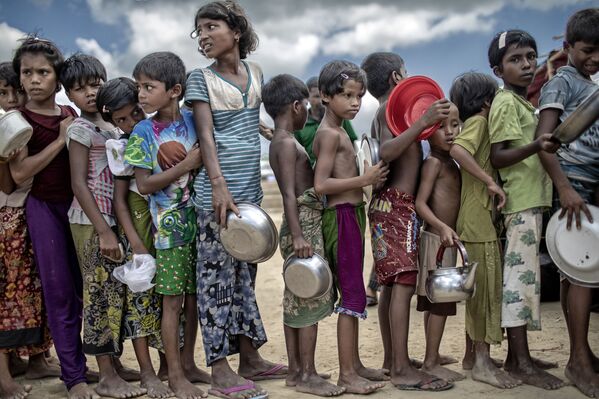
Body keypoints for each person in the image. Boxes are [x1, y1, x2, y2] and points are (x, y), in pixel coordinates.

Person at [186, 2, 287, 398]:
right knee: (216, 283)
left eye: (212, 26)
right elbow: (207, 136)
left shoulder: (255, 73)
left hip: (251, 195)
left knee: (246, 279)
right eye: (199, 30)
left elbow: (246, 119)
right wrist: (218, 186)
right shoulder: (200, 79)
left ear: (237, 31)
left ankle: (250, 358)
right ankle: (219, 370)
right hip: (217, 198)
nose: (205, 35)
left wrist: (268, 131)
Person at [9, 36, 97, 399]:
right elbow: (19, 173)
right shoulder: (17, 121)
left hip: (76, 209)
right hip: (43, 208)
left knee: (82, 291)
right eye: (26, 72)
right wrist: (61, 140)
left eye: (42, 72)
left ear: (57, 79)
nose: (34, 79)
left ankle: (88, 363)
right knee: (59, 293)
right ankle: (73, 377)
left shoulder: (69, 114)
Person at [61, 53, 147, 399]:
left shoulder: (112, 126)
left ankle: (115, 363)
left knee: (116, 292)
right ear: (69, 96)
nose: (90, 94)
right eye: (80, 89)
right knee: (98, 294)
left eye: (95, 85)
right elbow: (79, 184)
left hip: (113, 219)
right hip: (90, 221)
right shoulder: (81, 130)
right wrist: (104, 230)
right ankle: (106, 375)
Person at [365, 53, 452, 392]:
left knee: (390, 285)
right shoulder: (391, 111)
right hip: (396, 206)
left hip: (390, 206)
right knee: (401, 284)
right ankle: (400, 368)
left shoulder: (384, 111)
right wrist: (421, 122)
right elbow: (387, 152)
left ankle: (392, 359)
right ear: (396, 77)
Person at [97, 77, 187, 398]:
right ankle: (148, 372)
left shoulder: (154, 134)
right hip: (140, 234)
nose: (131, 122)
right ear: (112, 121)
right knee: (140, 302)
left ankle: (169, 367)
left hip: (166, 228)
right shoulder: (122, 147)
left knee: (169, 300)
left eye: (135, 113)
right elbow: (121, 201)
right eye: (120, 119)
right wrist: (135, 245)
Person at [487, 29, 564, 390]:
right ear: (498, 70)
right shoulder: (505, 103)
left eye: (530, 57)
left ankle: (520, 356)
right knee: (519, 283)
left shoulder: (521, 104)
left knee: (527, 280)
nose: (528, 65)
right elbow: (498, 155)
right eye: (515, 60)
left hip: (532, 201)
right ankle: (519, 362)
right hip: (520, 203)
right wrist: (536, 146)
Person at [124, 51, 204, 399]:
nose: (140, 94)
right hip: (168, 231)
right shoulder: (143, 130)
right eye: (139, 86)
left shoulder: (193, 120)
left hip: (199, 224)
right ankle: (173, 375)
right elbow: (143, 185)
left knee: (193, 300)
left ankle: (186, 364)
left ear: (174, 90)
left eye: (148, 87)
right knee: (171, 302)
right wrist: (186, 165)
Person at [263, 74, 344, 397]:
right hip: (303, 224)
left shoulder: (283, 140)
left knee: (296, 298)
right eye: (306, 106)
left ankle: (297, 371)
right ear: (296, 106)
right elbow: (286, 194)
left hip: (303, 223)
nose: (308, 112)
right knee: (309, 296)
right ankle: (307, 373)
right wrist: (298, 235)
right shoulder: (284, 144)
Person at [312, 59, 388, 395]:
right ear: (327, 97)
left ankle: (355, 365)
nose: (355, 102)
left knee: (354, 290)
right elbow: (321, 185)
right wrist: (366, 179)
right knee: (353, 295)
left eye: (359, 96)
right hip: (340, 218)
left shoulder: (342, 130)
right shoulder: (329, 134)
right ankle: (346, 374)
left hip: (352, 213)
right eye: (346, 95)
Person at [536, 8, 599, 397]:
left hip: (590, 182)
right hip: (572, 182)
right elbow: (545, 142)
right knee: (580, 270)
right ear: (568, 47)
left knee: (575, 270)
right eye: (588, 50)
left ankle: (583, 353)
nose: (595, 58)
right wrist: (564, 187)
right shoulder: (561, 82)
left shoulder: (591, 84)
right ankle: (577, 360)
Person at [448, 72, 517, 388]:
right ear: (487, 101)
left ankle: (469, 356)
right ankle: (482, 361)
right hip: (477, 220)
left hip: (476, 217)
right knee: (485, 289)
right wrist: (489, 181)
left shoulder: (475, 121)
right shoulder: (478, 122)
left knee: (477, 287)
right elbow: (458, 151)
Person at [0, 60, 60, 399]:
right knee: (7, 296)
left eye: (15, 92)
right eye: (2, 93)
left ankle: (37, 358)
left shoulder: (23, 126)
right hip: (5, 221)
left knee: (32, 292)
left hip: (25, 219)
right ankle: (3, 378)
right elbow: (11, 184)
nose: (10, 100)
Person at [414, 103, 465, 383]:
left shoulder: (451, 160)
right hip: (438, 240)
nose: (449, 132)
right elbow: (420, 203)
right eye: (442, 126)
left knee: (436, 301)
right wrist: (443, 226)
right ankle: (431, 361)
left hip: (445, 240)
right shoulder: (433, 163)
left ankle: (430, 354)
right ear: (428, 131)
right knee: (439, 304)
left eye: (455, 125)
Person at [293, 76, 358, 167]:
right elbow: (297, 153)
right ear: (307, 98)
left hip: (343, 171)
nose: (321, 101)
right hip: (315, 174)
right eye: (316, 96)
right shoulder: (300, 123)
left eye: (323, 96)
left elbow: (354, 143)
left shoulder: (340, 116)